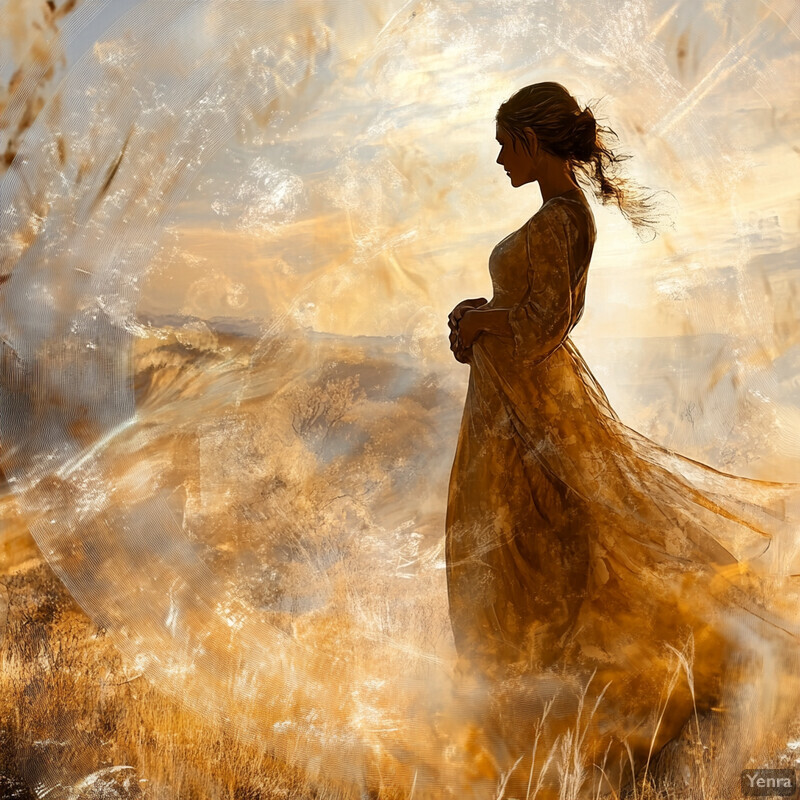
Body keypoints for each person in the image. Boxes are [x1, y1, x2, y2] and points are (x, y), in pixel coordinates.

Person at [445, 81, 800, 797]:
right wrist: (477, 315)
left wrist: (485, 323)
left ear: (533, 142)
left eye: (504, 143)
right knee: (537, 557)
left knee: (551, 558)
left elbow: (547, 324)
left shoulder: (559, 219)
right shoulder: (558, 215)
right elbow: (533, 312)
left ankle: (595, 729)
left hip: (533, 417)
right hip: (515, 408)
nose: (497, 157)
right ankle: (553, 733)